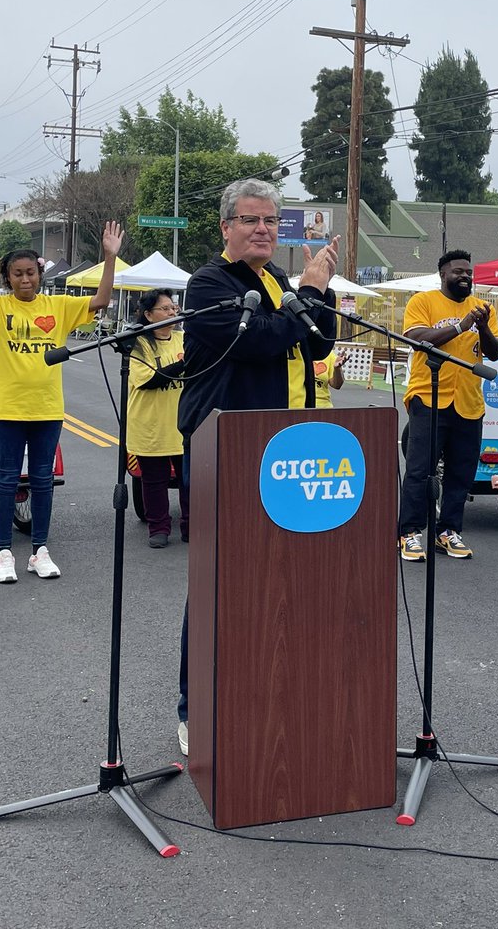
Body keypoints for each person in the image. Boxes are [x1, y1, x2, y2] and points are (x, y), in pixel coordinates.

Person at [175, 177, 338, 756]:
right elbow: (260, 341)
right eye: (251, 220)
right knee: (220, 579)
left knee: (282, 580)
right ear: (226, 228)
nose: (263, 229)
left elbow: (318, 344)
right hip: (225, 444)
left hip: (288, 448)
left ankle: (271, 696)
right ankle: (196, 707)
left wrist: (322, 291)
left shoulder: (278, 281)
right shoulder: (209, 284)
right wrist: (310, 291)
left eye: (271, 220)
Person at [0, 208, 123, 583]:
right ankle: (2, 553)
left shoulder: (58, 307)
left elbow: (101, 301)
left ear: (40, 275)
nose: (25, 279)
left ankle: (39, 551)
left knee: (43, 480)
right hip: (8, 409)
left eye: (31, 272)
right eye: (18, 274)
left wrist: (109, 257)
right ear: (7, 277)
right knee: (8, 479)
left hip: (47, 409)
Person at [397, 249, 498, 562]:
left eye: (469, 272)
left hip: (469, 402)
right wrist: (461, 325)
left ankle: (448, 532)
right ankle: (410, 533)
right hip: (429, 397)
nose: (465, 277)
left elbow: (494, 353)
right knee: (420, 470)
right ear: (443, 275)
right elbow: (418, 338)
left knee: (461, 473)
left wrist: (481, 326)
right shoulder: (423, 302)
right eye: (458, 272)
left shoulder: (484, 309)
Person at [127, 289, 187, 549]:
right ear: (149, 315)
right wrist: (185, 364)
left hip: (184, 423)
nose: (172, 312)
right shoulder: (137, 344)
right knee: (154, 481)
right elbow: (150, 380)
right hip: (150, 425)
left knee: (189, 480)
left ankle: (191, 526)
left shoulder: (186, 339)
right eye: (164, 309)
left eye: (173, 308)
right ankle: (159, 527)